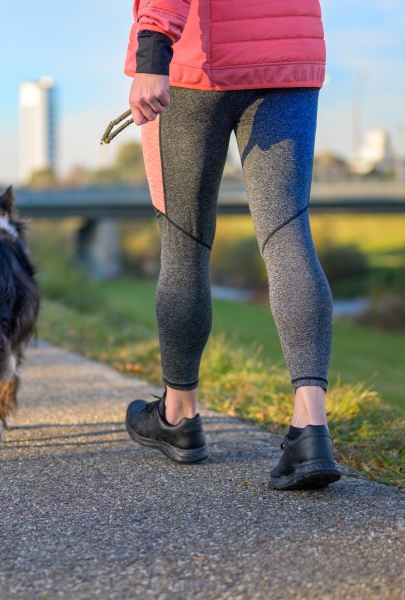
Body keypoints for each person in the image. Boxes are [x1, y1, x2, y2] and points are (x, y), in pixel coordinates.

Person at [121, 0, 341, 490]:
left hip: (197, 63)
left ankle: (179, 416)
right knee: (288, 234)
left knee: (184, 242)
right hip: (291, 58)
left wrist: (152, 51)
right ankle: (312, 429)